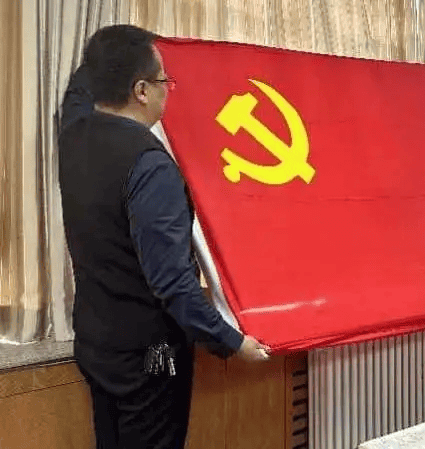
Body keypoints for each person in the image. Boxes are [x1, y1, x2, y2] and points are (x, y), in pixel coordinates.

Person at [58, 25, 270, 449]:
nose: (168, 90)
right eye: (163, 81)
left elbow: (80, 88)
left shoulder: (74, 133)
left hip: (98, 346)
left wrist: (120, 47)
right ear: (140, 90)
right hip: (151, 359)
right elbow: (173, 283)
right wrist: (232, 342)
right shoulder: (151, 167)